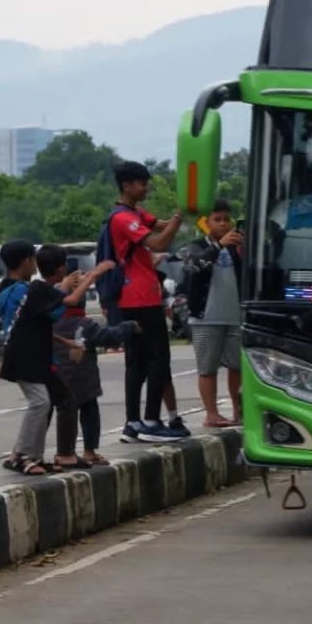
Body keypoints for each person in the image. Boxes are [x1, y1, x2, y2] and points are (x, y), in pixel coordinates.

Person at [0, 245, 109, 474]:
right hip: (27, 357)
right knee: (42, 403)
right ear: (27, 261)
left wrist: (66, 342)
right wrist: (93, 276)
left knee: (56, 400)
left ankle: (30, 456)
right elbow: (69, 300)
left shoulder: (25, 289)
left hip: (34, 355)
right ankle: (25, 456)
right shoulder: (35, 289)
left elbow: (39, 321)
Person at [107, 161, 186, 443]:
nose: (146, 188)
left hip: (135, 296)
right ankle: (151, 421)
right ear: (127, 186)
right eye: (141, 183)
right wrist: (179, 217)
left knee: (137, 362)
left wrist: (177, 217)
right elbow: (159, 243)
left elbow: (159, 225)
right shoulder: (123, 218)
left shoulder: (134, 213)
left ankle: (133, 423)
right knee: (158, 358)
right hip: (140, 296)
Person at [51, 259, 135, 470]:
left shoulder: (52, 324)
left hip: (58, 379)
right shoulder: (86, 324)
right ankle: (89, 451)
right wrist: (129, 326)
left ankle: (65, 451)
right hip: (85, 381)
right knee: (89, 413)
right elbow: (109, 337)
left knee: (64, 415)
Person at [182, 200, 245, 428]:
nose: (223, 224)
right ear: (206, 224)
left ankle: (238, 411)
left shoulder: (235, 248)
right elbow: (195, 267)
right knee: (207, 368)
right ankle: (211, 414)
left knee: (238, 366)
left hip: (234, 316)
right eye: (217, 220)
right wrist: (218, 246)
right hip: (206, 317)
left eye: (226, 219)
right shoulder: (197, 246)